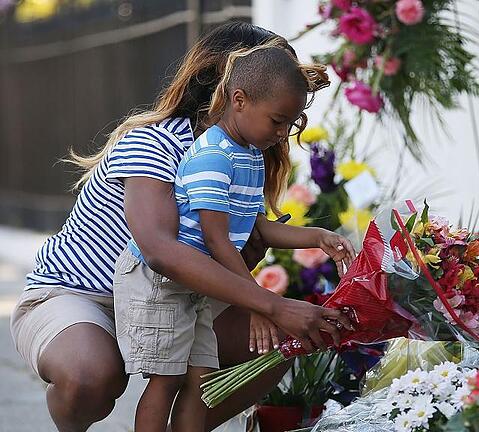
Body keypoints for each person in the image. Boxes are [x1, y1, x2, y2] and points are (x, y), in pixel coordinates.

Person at [10, 22, 352, 432]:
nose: (284, 131)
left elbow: (235, 240)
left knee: (277, 342)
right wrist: (272, 303)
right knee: (91, 375)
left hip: (176, 299)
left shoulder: (242, 153)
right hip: (83, 295)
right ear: (233, 91)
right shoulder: (152, 143)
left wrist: (284, 259)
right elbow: (160, 250)